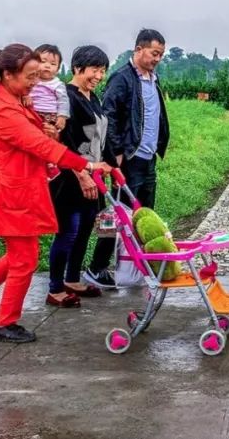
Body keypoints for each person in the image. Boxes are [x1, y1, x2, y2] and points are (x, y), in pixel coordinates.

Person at [0, 43, 112, 343]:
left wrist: (48, 131)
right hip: (9, 191)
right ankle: (4, 323)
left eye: (39, 76)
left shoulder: (16, 99)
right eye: (31, 76)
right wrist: (85, 165)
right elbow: (40, 146)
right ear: (8, 74)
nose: (36, 83)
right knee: (24, 259)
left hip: (23, 187)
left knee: (20, 256)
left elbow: (40, 138)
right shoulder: (1, 110)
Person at [83, 29, 170, 290]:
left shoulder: (153, 78)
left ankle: (142, 266)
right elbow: (109, 116)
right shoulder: (122, 78)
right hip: (128, 159)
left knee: (145, 217)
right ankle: (97, 267)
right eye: (154, 53)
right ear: (139, 49)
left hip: (148, 158)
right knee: (118, 215)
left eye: (161, 55)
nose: (157, 59)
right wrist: (116, 152)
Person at [47, 45, 117, 307]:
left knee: (86, 228)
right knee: (69, 231)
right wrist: (81, 173)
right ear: (78, 68)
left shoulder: (93, 98)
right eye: (95, 70)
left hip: (94, 174)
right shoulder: (67, 97)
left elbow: (101, 136)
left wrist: (111, 166)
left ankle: (73, 278)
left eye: (102, 71)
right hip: (70, 177)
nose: (99, 76)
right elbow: (62, 142)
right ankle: (55, 287)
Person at [28, 44, 70, 137]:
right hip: (31, 113)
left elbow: (63, 101)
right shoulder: (30, 80)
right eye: (43, 61)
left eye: (53, 64)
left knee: (47, 136)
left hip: (50, 116)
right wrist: (25, 97)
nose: (47, 66)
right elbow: (22, 91)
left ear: (58, 69)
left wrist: (62, 116)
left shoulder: (57, 84)